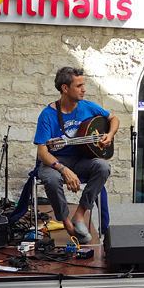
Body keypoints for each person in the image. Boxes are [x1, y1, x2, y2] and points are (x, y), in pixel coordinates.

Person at [34, 67, 119, 243]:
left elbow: (114, 119)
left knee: (103, 167)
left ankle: (79, 216)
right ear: (65, 88)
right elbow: (42, 151)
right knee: (51, 179)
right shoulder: (47, 115)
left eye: (84, 85)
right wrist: (63, 169)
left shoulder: (88, 106)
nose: (84, 89)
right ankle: (67, 223)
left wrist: (109, 135)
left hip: (81, 160)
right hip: (54, 162)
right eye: (79, 85)